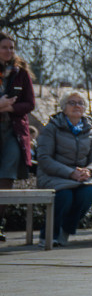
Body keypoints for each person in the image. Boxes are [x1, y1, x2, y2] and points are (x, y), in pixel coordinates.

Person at [35, 91, 92, 246]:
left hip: (80, 176)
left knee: (89, 192)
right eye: (71, 102)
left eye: (80, 103)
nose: (76, 106)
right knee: (64, 196)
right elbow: (44, 159)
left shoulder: (91, 130)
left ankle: (66, 230)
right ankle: (48, 234)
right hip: (54, 175)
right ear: (63, 108)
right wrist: (70, 172)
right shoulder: (52, 127)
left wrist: (89, 171)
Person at [0, 32, 36, 193]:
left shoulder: (21, 72)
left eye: (11, 48)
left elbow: (30, 103)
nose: (9, 51)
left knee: (8, 174)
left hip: (13, 131)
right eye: (4, 47)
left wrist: (10, 108)